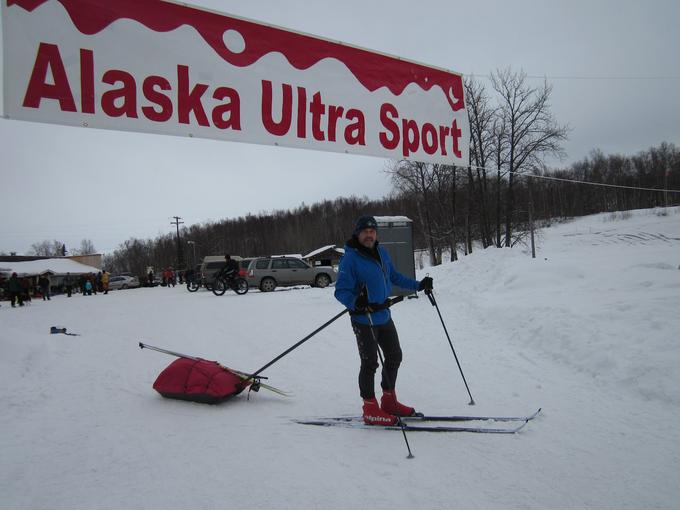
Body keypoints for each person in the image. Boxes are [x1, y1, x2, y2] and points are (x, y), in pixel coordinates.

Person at [334, 215, 434, 426]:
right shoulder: (350, 258)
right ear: (358, 234)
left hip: (383, 315)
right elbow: (340, 291)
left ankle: (388, 401)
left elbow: (394, 276)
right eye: (365, 231)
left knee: (394, 356)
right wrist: (355, 302)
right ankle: (370, 408)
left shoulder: (381, 252)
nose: (369, 234)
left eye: (372, 231)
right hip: (364, 319)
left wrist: (418, 285)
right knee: (370, 362)